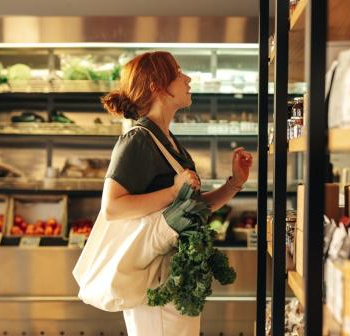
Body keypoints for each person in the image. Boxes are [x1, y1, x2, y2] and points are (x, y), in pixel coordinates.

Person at [101, 51, 253, 336]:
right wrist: (172, 191)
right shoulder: (137, 140)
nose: (188, 78)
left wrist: (234, 184)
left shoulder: (167, 140)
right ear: (157, 87)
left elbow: (191, 209)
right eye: (179, 73)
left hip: (174, 276)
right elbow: (112, 207)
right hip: (154, 279)